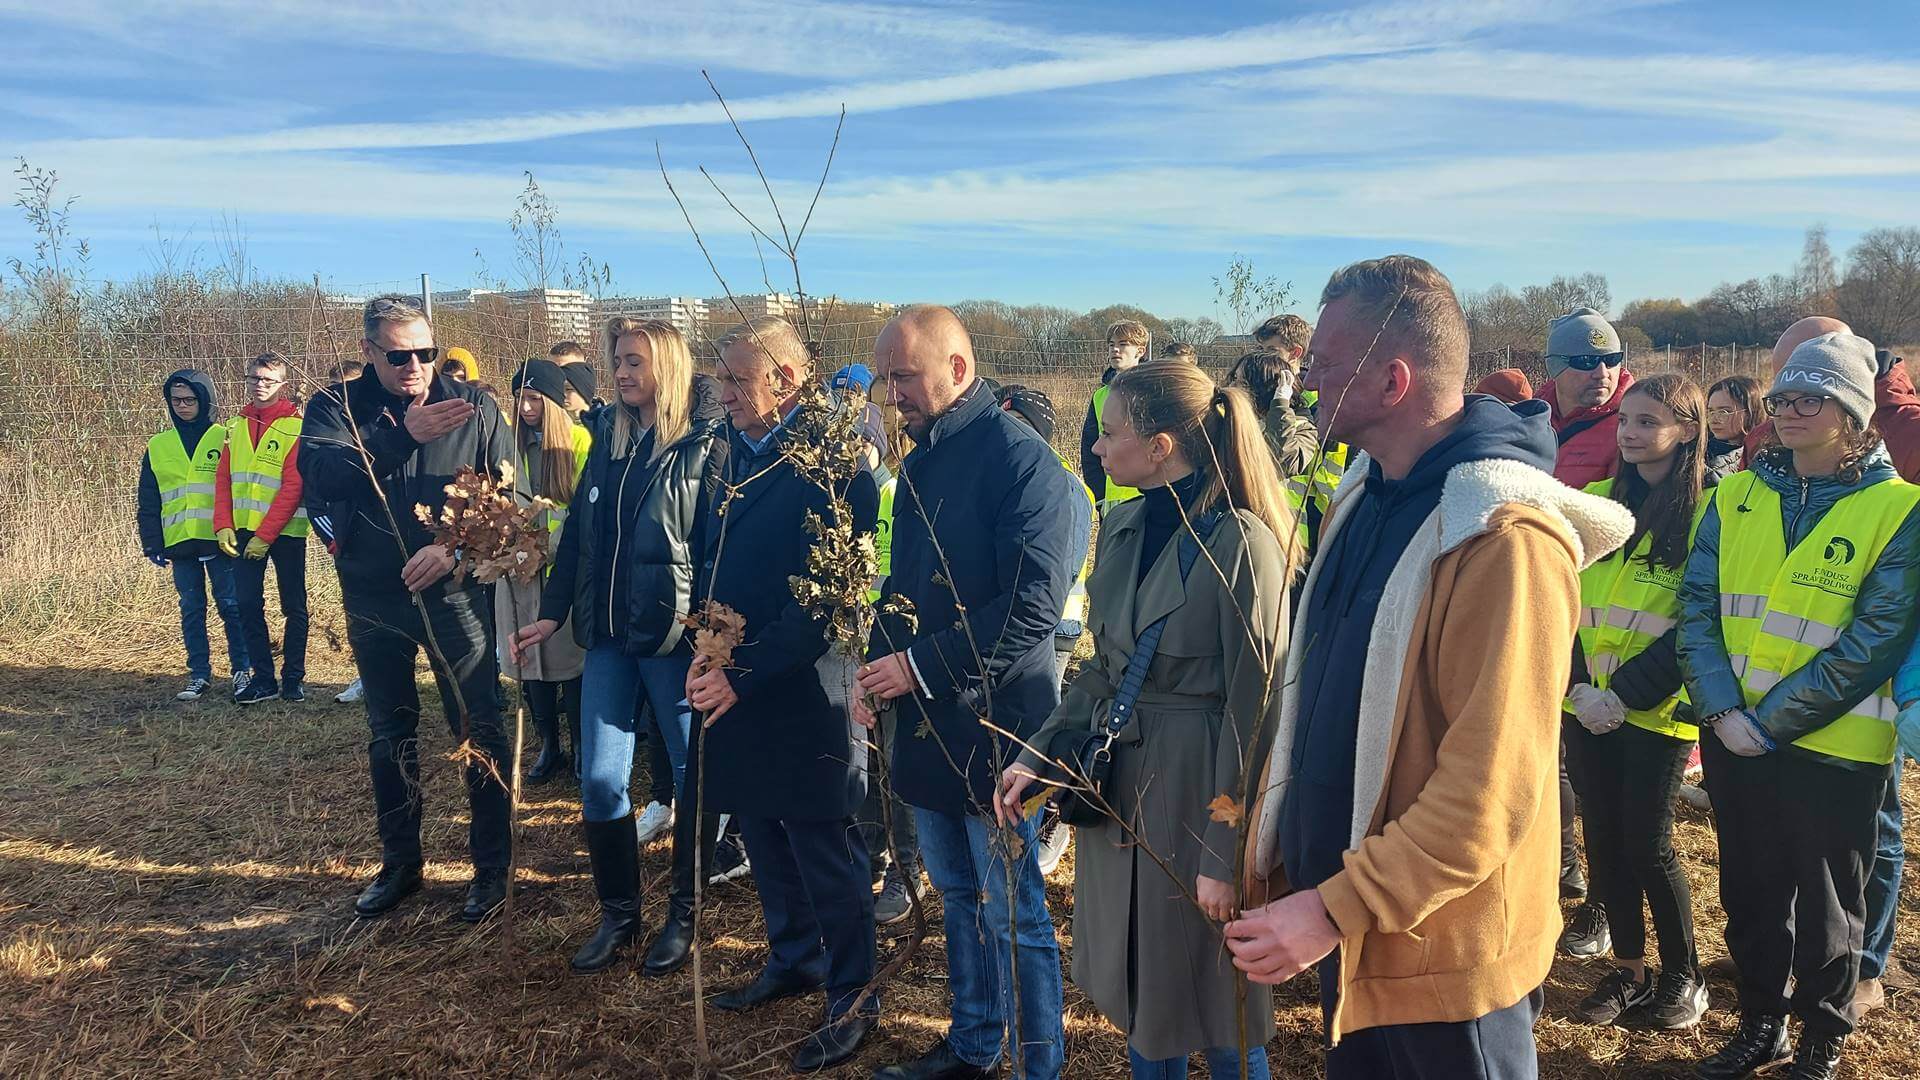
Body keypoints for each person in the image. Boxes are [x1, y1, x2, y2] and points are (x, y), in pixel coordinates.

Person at [1228, 256, 1633, 1078]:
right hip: (1360, 935)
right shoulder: (1364, 495)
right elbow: (1315, 700)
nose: (1307, 383)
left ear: (1393, 381)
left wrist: (1336, 908)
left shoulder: (1503, 540)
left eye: (1326, 365)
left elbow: (1490, 795)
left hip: (1444, 962)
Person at [998, 359, 1294, 1080]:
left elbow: (1259, 712)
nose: (1096, 448)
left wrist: (1226, 857)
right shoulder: (1125, 524)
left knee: (1222, 1003)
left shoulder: (1245, 544)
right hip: (1124, 789)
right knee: (1143, 992)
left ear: (1160, 446)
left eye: (1110, 433)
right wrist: (1040, 751)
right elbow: (1103, 668)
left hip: (1202, 796)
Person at [1679, 332, 1920, 1080]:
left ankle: (1823, 1038)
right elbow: (1697, 610)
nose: (1788, 410)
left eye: (1810, 397)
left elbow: (1876, 638)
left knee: (1829, 908)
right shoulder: (1732, 495)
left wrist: (1767, 721)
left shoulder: (1899, 509)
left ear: (1853, 413)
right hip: (1732, 736)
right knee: (1750, 892)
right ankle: (1761, 1023)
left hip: (1835, 747)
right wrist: (1722, 712)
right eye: (1782, 397)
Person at [856, 307, 1086, 1080]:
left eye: (904, 377)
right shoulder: (919, 461)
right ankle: (975, 1043)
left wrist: (918, 668)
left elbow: (1031, 607)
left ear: (957, 369)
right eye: (885, 379)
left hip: (997, 728)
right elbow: (903, 586)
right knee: (957, 895)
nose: (892, 395)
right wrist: (874, 665)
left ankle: (1037, 1064)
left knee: (1012, 912)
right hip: (926, 724)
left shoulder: (1024, 465)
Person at [511, 317, 730, 976]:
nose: (623, 373)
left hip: (671, 641)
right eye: (618, 362)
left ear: (667, 365)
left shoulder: (705, 443)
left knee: (696, 778)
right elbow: (580, 531)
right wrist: (553, 615)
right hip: (606, 638)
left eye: (635, 361)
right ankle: (620, 914)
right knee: (601, 779)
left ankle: (684, 914)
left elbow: (717, 550)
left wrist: (712, 640)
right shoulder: (608, 433)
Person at [692, 315, 881, 1073]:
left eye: (738, 379)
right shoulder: (728, 458)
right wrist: (704, 654)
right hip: (736, 676)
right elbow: (710, 565)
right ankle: (796, 956)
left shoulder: (836, 470)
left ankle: (854, 991)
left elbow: (823, 605)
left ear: (787, 381)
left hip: (805, 683)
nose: (723, 392)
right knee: (763, 827)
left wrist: (741, 671)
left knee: (820, 841)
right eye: (722, 377)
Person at [299, 294, 516, 923]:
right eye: (399, 356)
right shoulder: (336, 407)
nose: (416, 366)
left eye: (425, 352)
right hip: (372, 594)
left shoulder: (474, 406)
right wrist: (399, 437)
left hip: (453, 596)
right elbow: (320, 475)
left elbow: (509, 497)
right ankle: (401, 864)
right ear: (369, 353)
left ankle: (493, 868)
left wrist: (453, 549)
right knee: (390, 731)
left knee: (480, 727)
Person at [1562, 373, 1710, 1031]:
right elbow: (1563, 600)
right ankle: (1627, 970)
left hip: (1656, 710)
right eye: (1626, 419)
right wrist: (1576, 686)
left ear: (1687, 430)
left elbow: (1699, 620)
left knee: (1649, 845)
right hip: (1585, 705)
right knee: (1605, 839)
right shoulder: (1596, 502)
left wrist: (1621, 694)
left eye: (1649, 421)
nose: (1630, 432)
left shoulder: (1711, 512)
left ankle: (1685, 977)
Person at [1539, 306, 1634, 950]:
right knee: (1546, 752)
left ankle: (1602, 902)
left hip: (1608, 624)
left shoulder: (1634, 426)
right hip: (1545, 608)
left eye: (1609, 359)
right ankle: (1561, 866)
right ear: (1554, 369)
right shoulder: (1534, 423)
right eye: (1583, 360)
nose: (1599, 372)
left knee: (1601, 774)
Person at [993, 383, 1095, 879]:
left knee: (1042, 729)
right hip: (1057, 626)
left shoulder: (1050, 483)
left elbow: (1049, 576)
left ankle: (1051, 816)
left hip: (1046, 631)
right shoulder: (1071, 482)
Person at [499, 358, 591, 783]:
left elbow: (582, 510)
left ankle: (579, 748)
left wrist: (548, 550)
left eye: (535, 399)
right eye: (520, 398)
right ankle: (548, 746)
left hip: (561, 571)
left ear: (553, 401)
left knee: (568, 664)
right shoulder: (510, 445)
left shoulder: (578, 442)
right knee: (530, 661)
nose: (525, 407)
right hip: (518, 571)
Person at [138, 369, 250, 701]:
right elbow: (149, 497)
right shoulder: (158, 445)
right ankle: (199, 674)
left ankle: (242, 670)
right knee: (191, 608)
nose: (184, 406)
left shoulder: (225, 436)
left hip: (220, 539)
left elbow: (239, 486)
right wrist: (151, 541)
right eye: (177, 401)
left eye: (190, 399)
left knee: (230, 605)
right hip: (179, 541)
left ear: (205, 400)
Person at [215, 351, 311, 705]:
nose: (260, 385)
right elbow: (223, 479)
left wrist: (265, 535)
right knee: (246, 604)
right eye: (254, 378)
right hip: (241, 532)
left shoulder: (296, 427)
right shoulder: (234, 426)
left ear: (282, 385)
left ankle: (293, 678)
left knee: (294, 606)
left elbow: (292, 486)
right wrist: (222, 523)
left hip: (285, 532)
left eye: (268, 380)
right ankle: (263, 678)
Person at [1081, 319, 1150, 517]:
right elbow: (1090, 449)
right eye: (1111, 344)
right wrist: (1099, 496)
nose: (1115, 350)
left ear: (1141, 351)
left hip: (1149, 494)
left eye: (1123, 344)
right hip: (1112, 500)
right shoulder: (1100, 396)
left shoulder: (1155, 391)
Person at [1227, 348, 1319, 479]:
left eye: (1243, 383)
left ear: (1263, 390)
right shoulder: (1232, 418)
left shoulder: (1302, 425)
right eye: (1234, 378)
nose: (1232, 386)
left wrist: (1280, 406)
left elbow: (1286, 465)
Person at [1706, 375, 1759, 484]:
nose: (1714, 419)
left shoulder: (1762, 460)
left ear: (1749, 413)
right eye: (1711, 411)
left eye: (1724, 412)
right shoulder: (1696, 453)